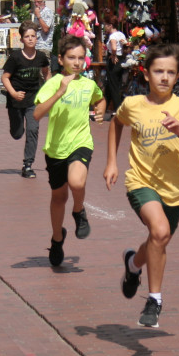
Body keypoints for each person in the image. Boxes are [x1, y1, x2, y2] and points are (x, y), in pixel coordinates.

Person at [103, 44, 179, 328]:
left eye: (170, 72)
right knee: (160, 231)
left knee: (159, 240)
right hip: (141, 182)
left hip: (176, 190)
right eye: (158, 71)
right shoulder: (133, 105)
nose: (164, 77)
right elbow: (116, 123)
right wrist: (112, 163)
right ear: (147, 74)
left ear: (177, 77)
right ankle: (154, 300)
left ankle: (132, 264)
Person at [33, 34, 106, 267]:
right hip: (55, 149)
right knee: (58, 197)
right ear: (61, 59)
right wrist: (58, 93)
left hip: (81, 142)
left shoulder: (88, 84)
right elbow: (37, 114)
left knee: (76, 183)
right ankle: (56, 240)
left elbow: (100, 99)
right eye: (71, 58)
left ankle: (79, 211)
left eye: (81, 58)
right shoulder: (54, 82)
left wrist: (101, 111)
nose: (77, 62)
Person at [1, 21, 50, 179]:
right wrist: (14, 93)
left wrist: (48, 91)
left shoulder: (41, 57)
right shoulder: (15, 57)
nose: (30, 39)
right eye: (27, 37)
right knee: (17, 133)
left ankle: (28, 165)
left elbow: (46, 74)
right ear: (21, 39)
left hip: (33, 100)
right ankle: (16, 128)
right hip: (15, 100)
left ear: (37, 38)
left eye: (33, 36)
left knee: (33, 129)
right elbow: (5, 77)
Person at [103, 19, 128, 114]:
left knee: (114, 85)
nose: (105, 27)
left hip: (114, 61)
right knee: (111, 84)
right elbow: (125, 44)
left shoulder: (113, 36)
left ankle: (118, 109)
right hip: (121, 59)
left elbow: (113, 47)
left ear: (110, 25)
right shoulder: (121, 34)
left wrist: (113, 55)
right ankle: (104, 106)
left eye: (106, 25)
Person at [32, 0, 56, 71]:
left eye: (38, 2)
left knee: (44, 72)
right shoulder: (38, 12)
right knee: (37, 73)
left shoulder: (47, 12)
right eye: (35, 2)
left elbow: (46, 29)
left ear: (43, 2)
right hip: (36, 46)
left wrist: (38, 16)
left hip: (44, 46)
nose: (36, 4)